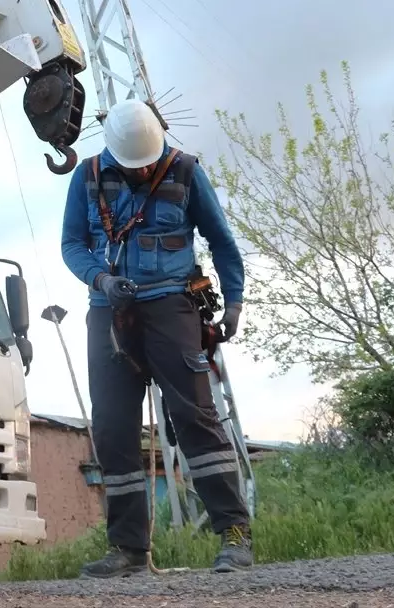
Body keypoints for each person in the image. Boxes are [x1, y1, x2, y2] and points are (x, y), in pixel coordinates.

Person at [59, 98, 252, 577]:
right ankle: (128, 549)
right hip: (109, 312)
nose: (144, 170)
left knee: (194, 416)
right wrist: (101, 280)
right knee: (112, 428)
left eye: (149, 162)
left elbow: (222, 241)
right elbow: (72, 244)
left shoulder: (186, 172)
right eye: (134, 165)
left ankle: (234, 534)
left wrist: (234, 302)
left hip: (172, 306)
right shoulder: (84, 178)